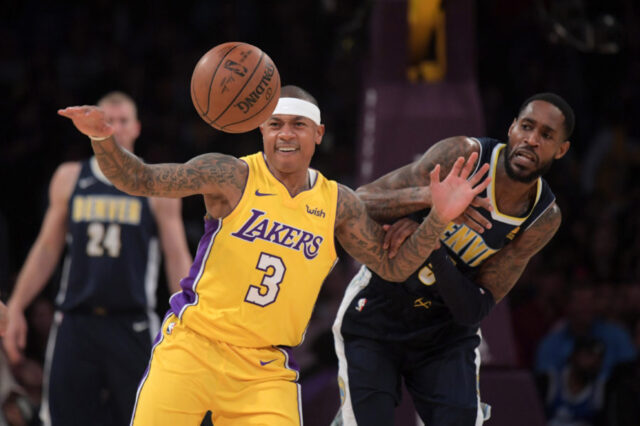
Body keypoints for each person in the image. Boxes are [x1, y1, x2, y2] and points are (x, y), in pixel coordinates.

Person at [57, 85, 491, 425]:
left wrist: (438, 216)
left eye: (298, 125)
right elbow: (142, 179)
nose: (285, 133)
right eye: (275, 124)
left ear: (318, 133)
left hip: (264, 369)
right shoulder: (231, 175)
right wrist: (103, 139)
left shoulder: (338, 203)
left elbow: (393, 267)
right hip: (192, 348)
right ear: (261, 130)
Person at [331, 93, 573, 425]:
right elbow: (359, 202)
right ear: (512, 127)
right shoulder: (464, 155)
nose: (531, 140)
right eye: (527, 126)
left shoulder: (543, 218)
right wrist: (430, 198)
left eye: (546, 135)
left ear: (561, 149)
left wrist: (433, 233)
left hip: (445, 331)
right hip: (379, 308)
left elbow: (474, 307)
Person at [3, 91, 193, 426]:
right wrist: (17, 305)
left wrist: (194, 319)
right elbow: (47, 248)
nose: (116, 128)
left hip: (131, 323)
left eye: (123, 121)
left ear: (136, 128)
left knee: (145, 419)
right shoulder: (70, 177)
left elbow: (177, 256)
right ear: (94, 127)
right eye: (109, 120)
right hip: (75, 321)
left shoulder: (159, 184)